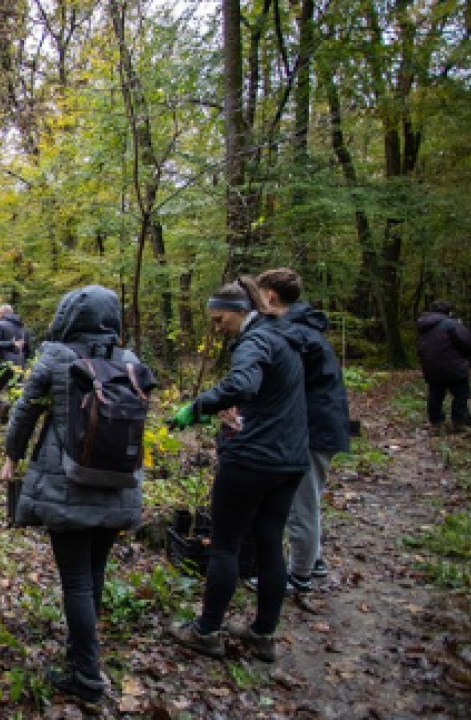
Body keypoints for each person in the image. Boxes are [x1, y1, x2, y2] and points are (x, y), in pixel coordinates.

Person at [0, 285, 154, 705]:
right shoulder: (130, 361)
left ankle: (86, 675)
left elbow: (26, 408)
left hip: (67, 482)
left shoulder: (56, 356)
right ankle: (79, 658)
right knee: (93, 572)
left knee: (77, 582)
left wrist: (11, 456)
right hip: (120, 482)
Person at [167, 276, 308, 664]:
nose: (217, 328)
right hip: (290, 459)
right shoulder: (285, 336)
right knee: (269, 542)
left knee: (226, 545)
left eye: (218, 320)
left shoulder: (255, 340)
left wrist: (197, 407)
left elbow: (243, 384)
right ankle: (264, 634)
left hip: (252, 459)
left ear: (240, 311)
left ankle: (207, 631)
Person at [252, 268, 350, 592]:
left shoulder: (294, 334)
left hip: (313, 428)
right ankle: (313, 560)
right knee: (309, 499)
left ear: (270, 296)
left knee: (301, 502)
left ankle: (300, 575)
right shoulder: (306, 329)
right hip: (321, 425)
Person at [416, 300, 471, 432]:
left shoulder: (423, 326)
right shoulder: (452, 324)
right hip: (454, 366)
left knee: (435, 394)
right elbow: (467, 342)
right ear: (448, 311)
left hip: (431, 367)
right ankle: (458, 422)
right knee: (461, 394)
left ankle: (436, 423)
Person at [0, 304, 29, 418]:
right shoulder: (23, 327)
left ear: (2, 313)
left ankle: (1, 405)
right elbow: (28, 348)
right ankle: (14, 419)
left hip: (3, 363)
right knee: (15, 392)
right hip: (20, 364)